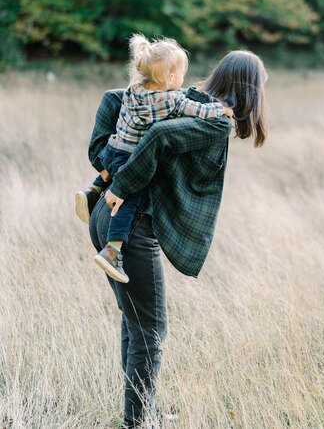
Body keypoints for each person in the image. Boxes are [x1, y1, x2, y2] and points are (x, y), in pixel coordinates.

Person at [88, 49, 267, 428]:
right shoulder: (212, 119)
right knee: (151, 331)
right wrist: (123, 183)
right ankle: (137, 423)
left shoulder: (183, 101)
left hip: (107, 214)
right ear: (251, 90)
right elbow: (157, 136)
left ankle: (141, 412)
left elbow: (115, 101)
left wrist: (110, 169)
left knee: (136, 324)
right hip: (130, 222)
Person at [76, 34, 233, 283]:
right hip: (131, 158)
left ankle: (93, 189)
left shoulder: (133, 90)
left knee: (114, 163)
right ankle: (113, 249)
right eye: (181, 75)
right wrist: (221, 110)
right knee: (130, 196)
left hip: (115, 148)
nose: (182, 81)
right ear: (170, 78)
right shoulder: (170, 99)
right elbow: (198, 110)